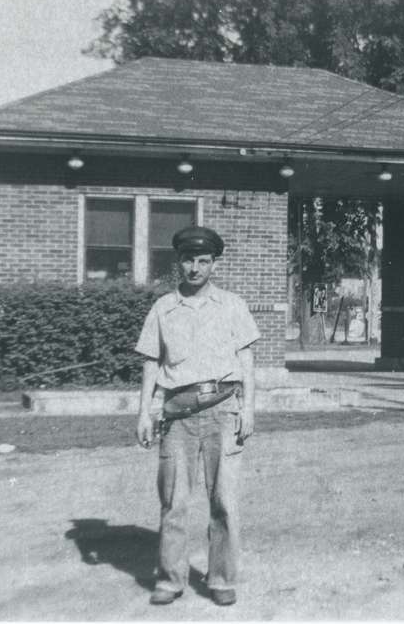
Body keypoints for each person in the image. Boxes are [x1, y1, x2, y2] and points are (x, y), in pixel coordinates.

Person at [134, 225, 259, 607]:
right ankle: (171, 580)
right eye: (188, 260)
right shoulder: (163, 308)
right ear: (179, 262)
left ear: (214, 265)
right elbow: (152, 363)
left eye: (203, 261)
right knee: (174, 501)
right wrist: (144, 412)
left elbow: (246, 360)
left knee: (224, 499)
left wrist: (249, 409)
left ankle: (221, 578)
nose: (195, 268)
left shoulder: (233, 305)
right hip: (178, 415)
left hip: (224, 410)